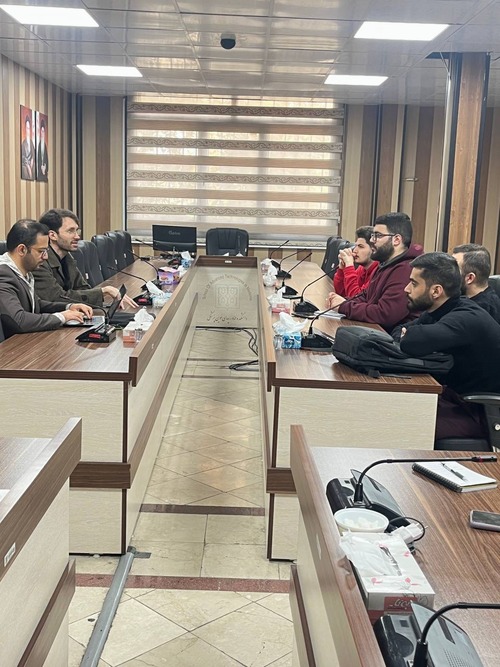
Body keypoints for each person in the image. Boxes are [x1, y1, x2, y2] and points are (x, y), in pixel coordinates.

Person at [400, 252, 500, 443]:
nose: (406, 289)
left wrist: (409, 335)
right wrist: (408, 335)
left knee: (406, 424)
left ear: (436, 291)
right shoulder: (439, 309)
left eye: (414, 283)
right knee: (397, 409)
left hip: (482, 412)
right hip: (455, 399)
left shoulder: (466, 317)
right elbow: (399, 332)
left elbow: (411, 341)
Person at [327, 212, 423, 331]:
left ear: (396, 240)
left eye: (378, 235)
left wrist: (344, 306)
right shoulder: (385, 264)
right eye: (373, 235)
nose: (372, 240)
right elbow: (365, 296)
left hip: (392, 336)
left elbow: (385, 314)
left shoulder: (406, 269)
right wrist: (342, 301)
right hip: (375, 331)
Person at [0, 219, 92, 338]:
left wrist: (68, 307)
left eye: (46, 251)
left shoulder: (24, 272)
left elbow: (36, 304)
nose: (46, 257)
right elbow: (19, 320)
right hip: (11, 347)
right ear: (22, 250)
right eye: (41, 251)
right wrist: (62, 317)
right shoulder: (3, 274)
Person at [33, 208, 137, 309]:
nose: (77, 236)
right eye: (70, 231)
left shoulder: (67, 257)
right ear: (52, 235)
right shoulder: (39, 262)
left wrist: (101, 293)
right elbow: (56, 298)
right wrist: (103, 291)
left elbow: (83, 288)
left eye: (77, 231)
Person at [452, 243, 500, 323]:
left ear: (470, 278)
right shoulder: (465, 299)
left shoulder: (478, 312)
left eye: (453, 269)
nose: (448, 273)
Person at [330, 226, 378, 298]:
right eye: (356, 246)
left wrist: (349, 267)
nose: (355, 250)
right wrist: (342, 270)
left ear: (374, 250)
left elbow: (356, 298)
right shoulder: (362, 268)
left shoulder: (378, 272)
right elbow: (342, 292)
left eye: (361, 246)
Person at [21, 115, 35, 180]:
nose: (27, 130)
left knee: (34, 169)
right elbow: (23, 156)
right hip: (26, 164)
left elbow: (33, 154)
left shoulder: (31, 142)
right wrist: (28, 166)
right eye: (27, 128)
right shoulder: (23, 143)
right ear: (25, 129)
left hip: (31, 163)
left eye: (29, 128)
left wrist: (32, 160)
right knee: (25, 171)